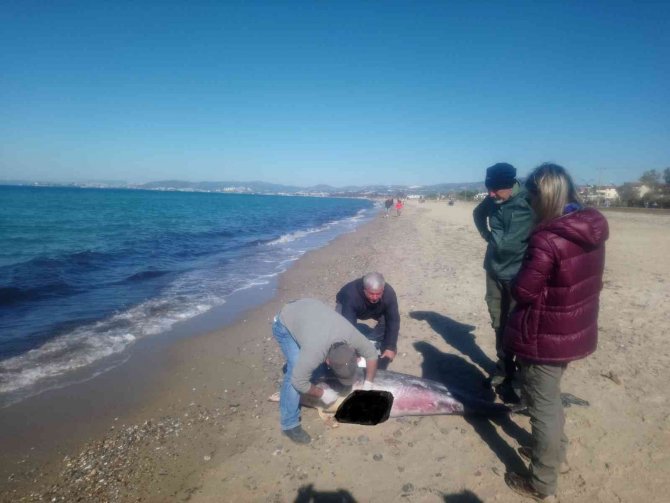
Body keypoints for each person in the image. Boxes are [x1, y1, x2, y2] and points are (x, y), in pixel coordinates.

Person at [503, 163, 609, 501]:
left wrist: (513, 280)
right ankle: (555, 457)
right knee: (550, 398)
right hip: (574, 329)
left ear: (543, 196)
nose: (529, 203)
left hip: (544, 335)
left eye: (532, 196)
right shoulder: (588, 228)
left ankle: (542, 483)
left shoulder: (547, 239)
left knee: (542, 406)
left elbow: (525, 291)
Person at [272, 298, 378, 444]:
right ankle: (289, 424)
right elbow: (298, 381)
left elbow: (372, 353)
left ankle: (315, 381)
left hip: (310, 310)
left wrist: (369, 383)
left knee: (309, 369)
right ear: (327, 361)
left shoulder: (351, 335)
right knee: (294, 370)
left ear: (353, 352)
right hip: (285, 321)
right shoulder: (315, 352)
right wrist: (322, 394)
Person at [473, 162, 534, 397]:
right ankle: (504, 369)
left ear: (510, 186)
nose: (490, 194)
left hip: (519, 274)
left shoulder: (531, 200)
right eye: (488, 188)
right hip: (493, 271)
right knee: (498, 322)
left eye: (495, 189)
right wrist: (487, 236)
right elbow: (478, 214)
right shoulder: (492, 200)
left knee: (518, 325)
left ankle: (523, 375)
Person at [336, 272, 400, 370]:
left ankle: (371, 340)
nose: (374, 297)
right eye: (371, 293)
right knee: (340, 327)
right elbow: (348, 326)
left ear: (383, 289)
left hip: (375, 308)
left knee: (387, 323)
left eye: (378, 293)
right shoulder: (351, 295)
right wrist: (353, 351)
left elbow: (393, 320)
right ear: (364, 289)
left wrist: (390, 347)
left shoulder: (389, 293)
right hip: (348, 305)